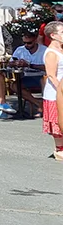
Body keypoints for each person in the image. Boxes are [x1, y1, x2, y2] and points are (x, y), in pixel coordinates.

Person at [42, 20, 63, 161]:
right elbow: (51, 75)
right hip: (55, 92)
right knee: (57, 120)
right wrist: (60, 91)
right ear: (53, 35)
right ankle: (59, 148)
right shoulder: (51, 53)